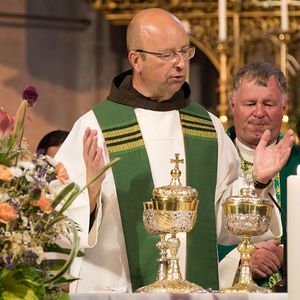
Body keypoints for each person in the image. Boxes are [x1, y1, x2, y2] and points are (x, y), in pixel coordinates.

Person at [55, 9, 293, 293]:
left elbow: (223, 224)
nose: (180, 64)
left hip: (195, 292)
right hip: (117, 289)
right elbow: (57, 225)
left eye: (184, 52)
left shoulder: (207, 127)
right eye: (167, 55)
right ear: (136, 59)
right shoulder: (95, 128)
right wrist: (88, 197)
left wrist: (257, 181)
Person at [218, 61, 299, 289]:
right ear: (233, 104)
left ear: (284, 106)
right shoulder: (212, 159)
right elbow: (195, 232)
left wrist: (288, 254)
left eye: (269, 103)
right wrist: (240, 259)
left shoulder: (298, 162)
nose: (259, 112)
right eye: (250, 103)